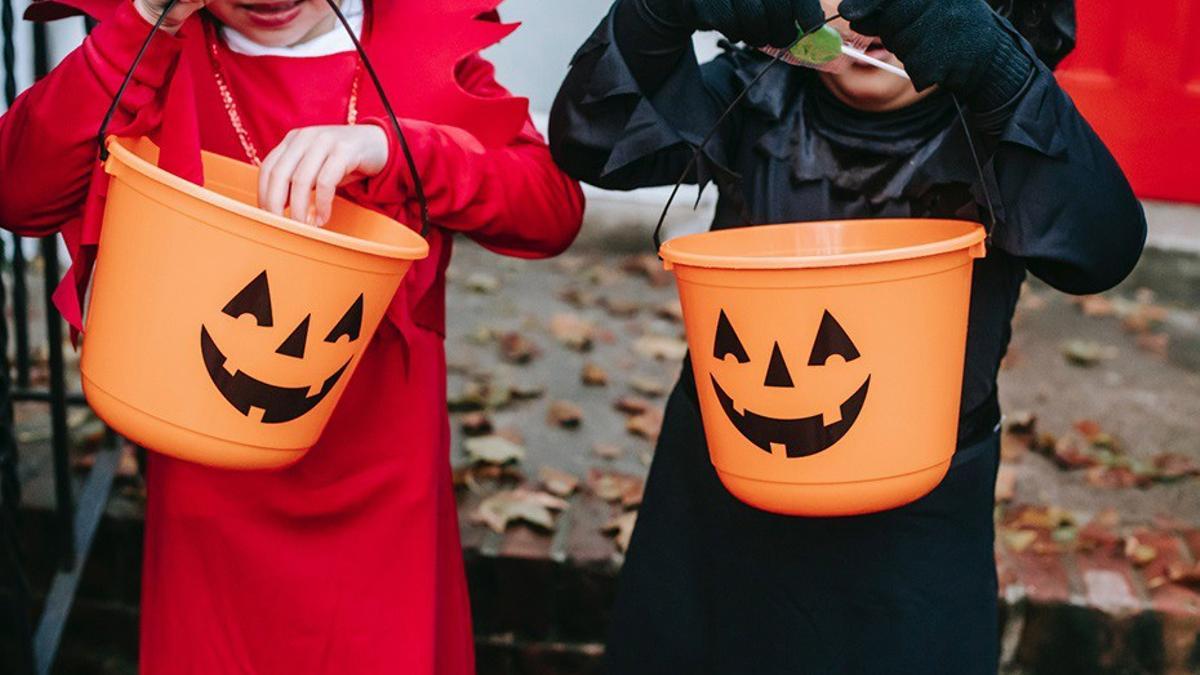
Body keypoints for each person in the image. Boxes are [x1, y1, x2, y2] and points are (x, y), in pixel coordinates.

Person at [550, 0, 1144, 672]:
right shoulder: (756, 93)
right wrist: (658, 12)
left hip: (913, 530)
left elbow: (1103, 247)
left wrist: (1000, 72)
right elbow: (593, 141)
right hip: (722, 490)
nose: (871, 21)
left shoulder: (1002, 124)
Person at [0, 0, 584, 672]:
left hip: (381, 470)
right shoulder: (155, 50)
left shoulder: (414, 46)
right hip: (210, 481)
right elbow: (20, 190)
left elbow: (551, 207)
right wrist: (141, 25)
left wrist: (396, 147)